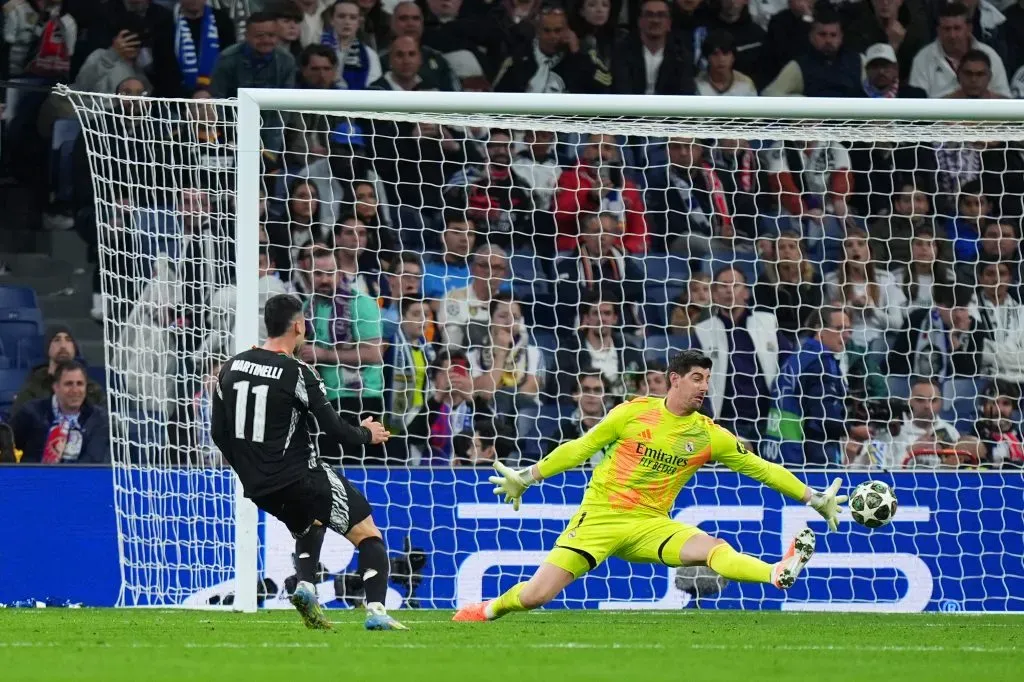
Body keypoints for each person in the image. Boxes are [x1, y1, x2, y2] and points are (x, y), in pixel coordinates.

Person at [452, 349, 847, 622]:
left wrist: (814, 498)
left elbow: (763, 470)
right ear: (673, 380)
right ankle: (488, 610)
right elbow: (580, 448)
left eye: (707, 379)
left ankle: (775, 573)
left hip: (651, 525)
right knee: (537, 596)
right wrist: (526, 477)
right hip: (601, 518)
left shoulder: (710, 435)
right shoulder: (633, 413)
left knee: (714, 549)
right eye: (696, 378)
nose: (703, 386)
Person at [211, 293, 405, 631]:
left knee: (310, 524)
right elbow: (335, 430)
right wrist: (367, 433)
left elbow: (218, 433)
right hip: (300, 475)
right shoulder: (297, 372)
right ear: (299, 325)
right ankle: (377, 611)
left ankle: (305, 586)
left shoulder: (231, 366)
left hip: (259, 487)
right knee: (368, 534)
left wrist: (249, 467)